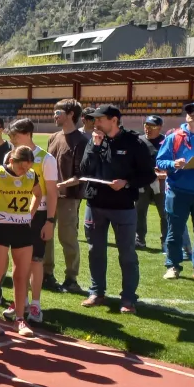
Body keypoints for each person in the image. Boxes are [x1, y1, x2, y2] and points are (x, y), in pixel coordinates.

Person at [80, 105, 157, 312]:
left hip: (123, 206)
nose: (95, 123)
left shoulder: (134, 142)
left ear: (114, 120)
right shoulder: (94, 141)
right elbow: (85, 170)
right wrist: (95, 147)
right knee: (95, 251)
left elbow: (148, 175)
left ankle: (128, 298)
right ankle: (97, 292)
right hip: (95, 205)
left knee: (127, 254)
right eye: (94, 120)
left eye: (100, 119)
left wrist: (127, 183)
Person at [0, 146, 40, 337]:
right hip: (0, 229)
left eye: (28, 167)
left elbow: (38, 194)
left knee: (21, 276)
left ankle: (19, 319)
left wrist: (31, 213)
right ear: (11, 161)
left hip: (22, 229)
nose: (25, 171)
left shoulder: (31, 175)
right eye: (22, 167)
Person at [5, 119, 57, 324]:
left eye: (14, 135)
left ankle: (35, 305)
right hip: (15, 216)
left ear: (27, 133)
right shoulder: (10, 156)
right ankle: (21, 301)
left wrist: (50, 220)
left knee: (35, 260)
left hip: (38, 216)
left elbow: (52, 192)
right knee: (18, 260)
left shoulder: (46, 159)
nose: (11, 139)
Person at [157, 102, 194, 282]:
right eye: (189, 111)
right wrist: (174, 164)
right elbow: (160, 162)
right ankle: (173, 266)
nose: (192, 113)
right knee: (175, 231)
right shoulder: (174, 137)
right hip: (178, 192)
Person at [45, 99, 87, 294]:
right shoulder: (53, 137)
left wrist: (60, 185)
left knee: (67, 238)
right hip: (49, 196)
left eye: (58, 112)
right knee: (46, 235)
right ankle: (46, 274)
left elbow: (81, 175)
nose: (54, 116)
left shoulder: (81, 141)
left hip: (69, 197)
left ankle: (71, 278)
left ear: (71, 114)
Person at [136, 115, 168, 250]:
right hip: (142, 181)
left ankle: (166, 242)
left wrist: (165, 173)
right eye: (147, 125)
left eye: (152, 126)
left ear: (160, 127)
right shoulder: (138, 141)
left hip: (160, 182)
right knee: (139, 212)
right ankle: (139, 240)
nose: (148, 129)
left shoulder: (166, 141)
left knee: (165, 213)